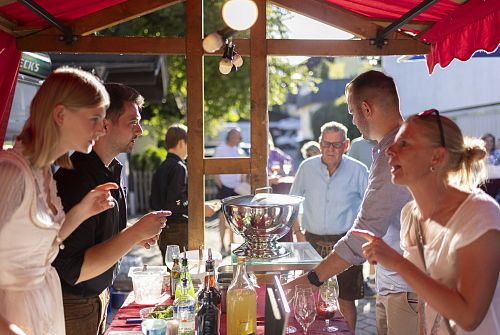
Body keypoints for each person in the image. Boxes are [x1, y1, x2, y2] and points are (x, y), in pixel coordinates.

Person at [285, 70, 418, 335]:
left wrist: (312, 278)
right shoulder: (394, 146)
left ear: (366, 109)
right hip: (394, 285)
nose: (353, 119)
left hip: (408, 290)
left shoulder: (397, 152)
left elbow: (364, 231)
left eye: (352, 112)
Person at [353, 110, 500, 334]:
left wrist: (397, 263)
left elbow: (469, 317)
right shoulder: (410, 214)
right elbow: (425, 302)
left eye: (404, 144)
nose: (390, 150)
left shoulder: (480, 214)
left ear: (436, 157)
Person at [0, 67, 118, 335]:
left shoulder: (42, 172)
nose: (103, 127)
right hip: (14, 316)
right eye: (95, 118)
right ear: (61, 114)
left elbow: (39, 253)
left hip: (42, 310)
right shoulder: (10, 173)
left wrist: (81, 211)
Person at [53, 83, 169, 335]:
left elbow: (95, 236)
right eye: (132, 123)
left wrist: (133, 235)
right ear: (105, 125)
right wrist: (134, 233)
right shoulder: (77, 179)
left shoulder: (110, 169)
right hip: (72, 305)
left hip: (96, 299)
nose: (139, 129)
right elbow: (76, 269)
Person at [289, 121, 368, 329]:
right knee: (309, 295)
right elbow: (293, 203)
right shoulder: (307, 167)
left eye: (336, 144)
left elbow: (369, 208)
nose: (330, 149)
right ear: (319, 143)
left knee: (346, 299)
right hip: (311, 242)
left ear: (346, 144)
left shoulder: (359, 170)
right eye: (326, 144)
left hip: (347, 244)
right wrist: (298, 234)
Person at [213, 127, 247, 255]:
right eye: (237, 135)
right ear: (231, 136)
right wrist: (220, 185)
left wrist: (242, 181)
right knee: (222, 217)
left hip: (236, 188)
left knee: (234, 218)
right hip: (224, 187)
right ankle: (222, 244)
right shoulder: (221, 149)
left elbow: (243, 169)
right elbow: (215, 167)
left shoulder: (240, 150)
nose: (240, 138)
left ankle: (231, 245)